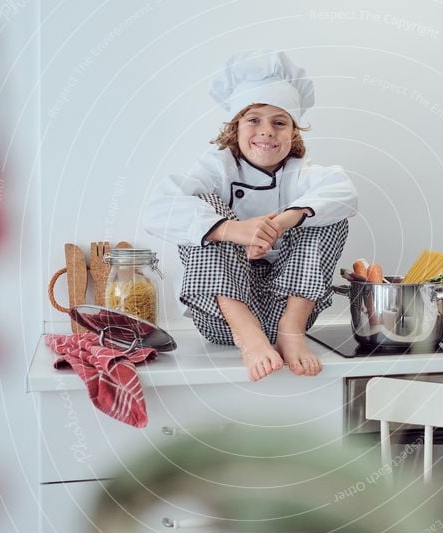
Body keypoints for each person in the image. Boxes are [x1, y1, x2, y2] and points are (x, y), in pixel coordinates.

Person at [144, 50, 358, 382]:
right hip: (224, 318)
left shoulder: (301, 174)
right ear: (236, 127)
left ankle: (290, 332)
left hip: (286, 310)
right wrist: (233, 230)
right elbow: (158, 207)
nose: (266, 131)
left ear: (293, 132)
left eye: (279, 122)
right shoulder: (216, 169)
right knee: (203, 210)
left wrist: (281, 222)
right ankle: (249, 336)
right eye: (254, 119)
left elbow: (344, 193)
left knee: (325, 212)